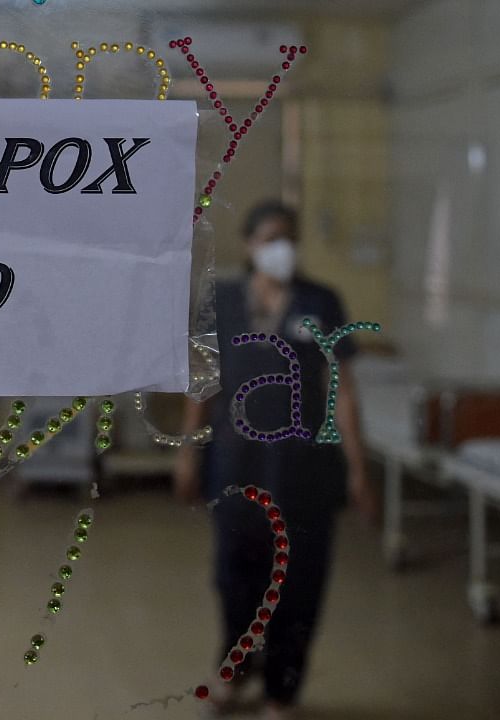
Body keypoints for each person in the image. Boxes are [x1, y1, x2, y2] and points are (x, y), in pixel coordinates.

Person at [173, 201, 376, 719]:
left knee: (298, 581)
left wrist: (357, 466)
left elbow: (343, 390)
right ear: (248, 245)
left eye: (289, 236)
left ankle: (282, 692)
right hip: (236, 463)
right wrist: (188, 452)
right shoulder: (222, 301)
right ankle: (235, 668)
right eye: (269, 237)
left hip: (304, 468)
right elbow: (203, 383)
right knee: (232, 576)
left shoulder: (320, 301)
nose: (281, 247)